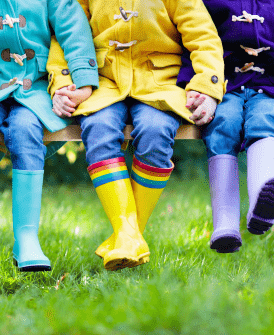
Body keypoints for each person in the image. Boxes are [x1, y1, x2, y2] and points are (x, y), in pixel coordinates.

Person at [49, 0, 225, 270]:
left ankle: (127, 235)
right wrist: (62, 83)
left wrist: (208, 85)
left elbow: (203, 36)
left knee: (156, 131)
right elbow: (65, 33)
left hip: (159, 82)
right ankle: (129, 234)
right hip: (101, 81)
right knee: (99, 128)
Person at [0, 0, 98, 271]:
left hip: (36, 85)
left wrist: (82, 81)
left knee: (25, 130)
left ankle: (27, 237)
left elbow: (74, 33)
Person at [177, 1, 274, 253]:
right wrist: (199, 86)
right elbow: (197, 42)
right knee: (222, 124)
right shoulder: (211, 3)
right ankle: (225, 223)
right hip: (223, 87)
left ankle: (262, 203)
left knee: (265, 119)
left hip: (269, 87)